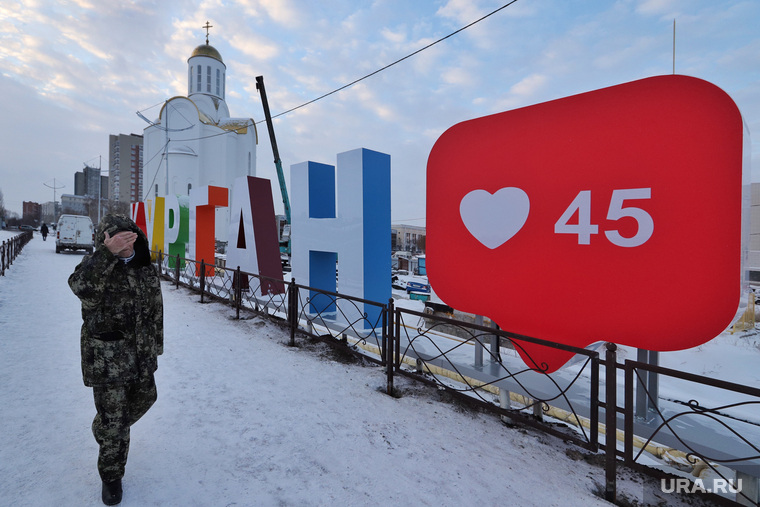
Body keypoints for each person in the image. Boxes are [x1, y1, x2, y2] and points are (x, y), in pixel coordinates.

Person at [68, 214, 163, 506]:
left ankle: (105, 428)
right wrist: (106, 255)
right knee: (116, 424)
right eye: (113, 237)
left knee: (147, 398)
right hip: (107, 360)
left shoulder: (145, 268)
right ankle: (111, 478)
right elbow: (81, 289)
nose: (121, 240)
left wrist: (155, 349)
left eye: (126, 235)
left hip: (140, 355)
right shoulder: (94, 267)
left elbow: (155, 311)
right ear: (105, 239)